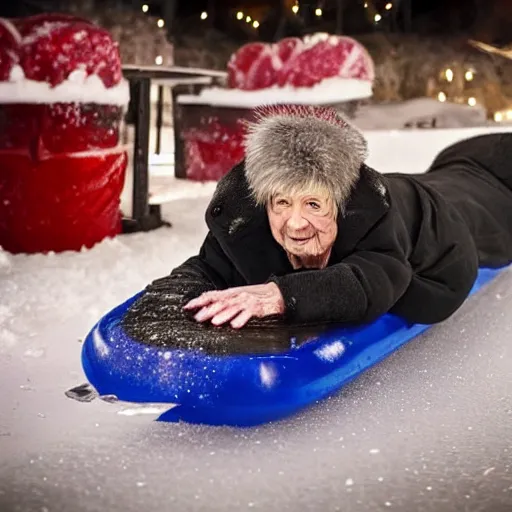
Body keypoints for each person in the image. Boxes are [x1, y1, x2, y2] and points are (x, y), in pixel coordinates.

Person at [123, 105, 512, 339]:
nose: (296, 224)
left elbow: (373, 279)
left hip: (474, 204)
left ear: (341, 204)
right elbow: (210, 266)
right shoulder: (248, 217)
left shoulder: (374, 218)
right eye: (282, 204)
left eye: (313, 205)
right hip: (444, 173)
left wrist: (282, 295)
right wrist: (161, 303)